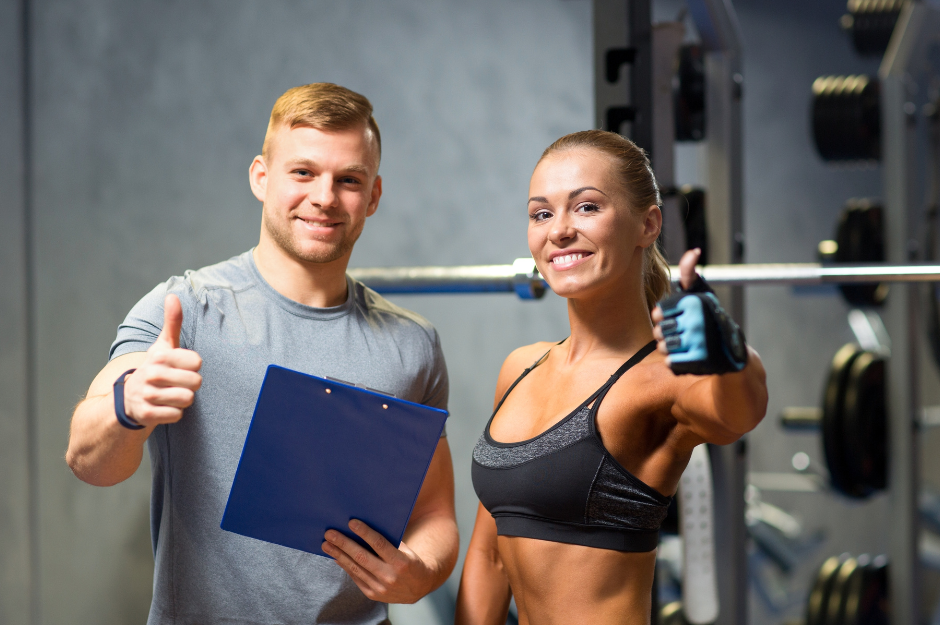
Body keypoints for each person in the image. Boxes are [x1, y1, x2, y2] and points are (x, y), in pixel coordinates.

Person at [66, 83, 459, 625]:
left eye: (348, 179)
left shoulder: (412, 343)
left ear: (372, 195)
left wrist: (421, 570)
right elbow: (89, 461)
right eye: (303, 172)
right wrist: (124, 405)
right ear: (261, 177)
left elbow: (435, 512)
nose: (324, 197)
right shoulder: (186, 309)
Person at [455, 129, 768, 625]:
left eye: (586, 207)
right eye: (541, 213)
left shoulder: (664, 379)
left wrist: (732, 355)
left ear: (648, 223)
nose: (558, 230)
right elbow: (490, 556)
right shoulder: (522, 367)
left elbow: (738, 414)